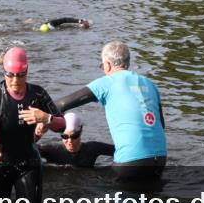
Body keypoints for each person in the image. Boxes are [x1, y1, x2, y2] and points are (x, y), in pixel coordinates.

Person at [0, 47, 64, 201]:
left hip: (29, 163)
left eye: (21, 75)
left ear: (27, 71)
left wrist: (47, 118)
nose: (15, 80)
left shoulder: (38, 94)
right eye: (11, 75)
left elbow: (62, 125)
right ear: (4, 72)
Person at [54, 41, 167, 181]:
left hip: (131, 161)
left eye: (102, 66)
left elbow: (61, 104)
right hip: (160, 159)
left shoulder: (107, 82)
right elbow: (161, 126)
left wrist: (41, 117)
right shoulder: (150, 85)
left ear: (107, 65)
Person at [36, 112, 113, 168]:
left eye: (74, 136)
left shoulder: (91, 149)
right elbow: (26, 149)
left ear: (80, 133)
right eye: (65, 136)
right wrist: (37, 134)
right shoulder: (51, 150)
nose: (70, 141)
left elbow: (120, 150)